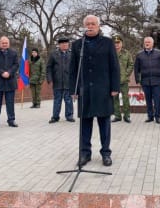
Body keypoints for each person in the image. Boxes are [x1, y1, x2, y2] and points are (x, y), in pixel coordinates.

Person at [69, 15, 120, 167]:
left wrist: (115, 87)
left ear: (98, 26)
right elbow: (73, 69)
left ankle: (106, 153)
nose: (90, 26)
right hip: (85, 91)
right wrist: (74, 89)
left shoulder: (107, 43)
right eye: (87, 24)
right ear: (84, 26)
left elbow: (114, 66)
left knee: (104, 123)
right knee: (85, 124)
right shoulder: (78, 44)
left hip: (103, 90)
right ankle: (85, 153)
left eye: (93, 24)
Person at [134, 37, 160, 124]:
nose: (147, 43)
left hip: (157, 81)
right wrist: (137, 80)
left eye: (149, 42)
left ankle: (158, 117)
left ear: (152, 44)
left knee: (157, 100)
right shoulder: (139, 55)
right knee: (148, 100)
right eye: (145, 42)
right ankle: (150, 116)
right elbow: (136, 68)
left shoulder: (159, 53)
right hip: (145, 81)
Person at [0, 36, 19, 129]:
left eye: (6, 43)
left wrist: (9, 72)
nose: (4, 44)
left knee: (10, 103)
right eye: (3, 43)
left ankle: (11, 120)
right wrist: (2, 73)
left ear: (8, 44)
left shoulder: (14, 53)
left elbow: (16, 65)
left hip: (10, 82)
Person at [46, 37, 75, 123]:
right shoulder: (54, 54)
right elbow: (49, 67)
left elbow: (75, 67)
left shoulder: (72, 54)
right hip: (57, 81)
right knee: (57, 100)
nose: (65, 45)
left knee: (68, 100)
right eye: (63, 44)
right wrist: (49, 79)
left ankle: (69, 116)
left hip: (68, 81)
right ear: (59, 45)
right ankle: (55, 117)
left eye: (66, 43)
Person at [111, 35, 134, 123]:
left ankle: (127, 116)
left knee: (125, 99)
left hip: (124, 81)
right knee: (115, 99)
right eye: (115, 43)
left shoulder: (126, 53)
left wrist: (126, 74)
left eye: (118, 43)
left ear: (121, 43)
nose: (116, 44)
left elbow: (131, 65)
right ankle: (117, 116)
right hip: (113, 81)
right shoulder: (110, 53)